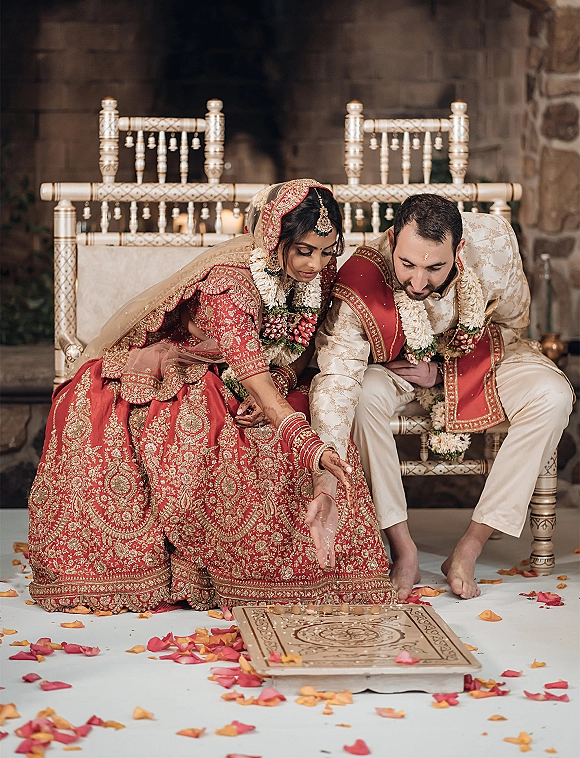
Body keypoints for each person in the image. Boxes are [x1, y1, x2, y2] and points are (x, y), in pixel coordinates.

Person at [29, 179, 395, 613]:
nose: (316, 263)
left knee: (310, 416)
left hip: (260, 372)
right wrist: (309, 447)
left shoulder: (318, 269)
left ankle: (318, 566)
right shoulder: (231, 284)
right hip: (188, 365)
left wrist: (282, 380)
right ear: (275, 239)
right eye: (304, 251)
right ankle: (205, 568)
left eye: (326, 250)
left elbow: (301, 342)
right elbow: (249, 365)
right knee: (215, 432)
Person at [310, 194, 573, 601]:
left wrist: (446, 366)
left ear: (459, 249)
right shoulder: (360, 277)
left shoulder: (495, 243)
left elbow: (514, 322)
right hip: (395, 366)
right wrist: (324, 472)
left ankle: (470, 546)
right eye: (407, 264)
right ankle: (403, 548)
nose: (418, 283)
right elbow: (337, 377)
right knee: (362, 397)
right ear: (394, 239)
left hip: (478, 355)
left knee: (553, 395)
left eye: (435, 267)